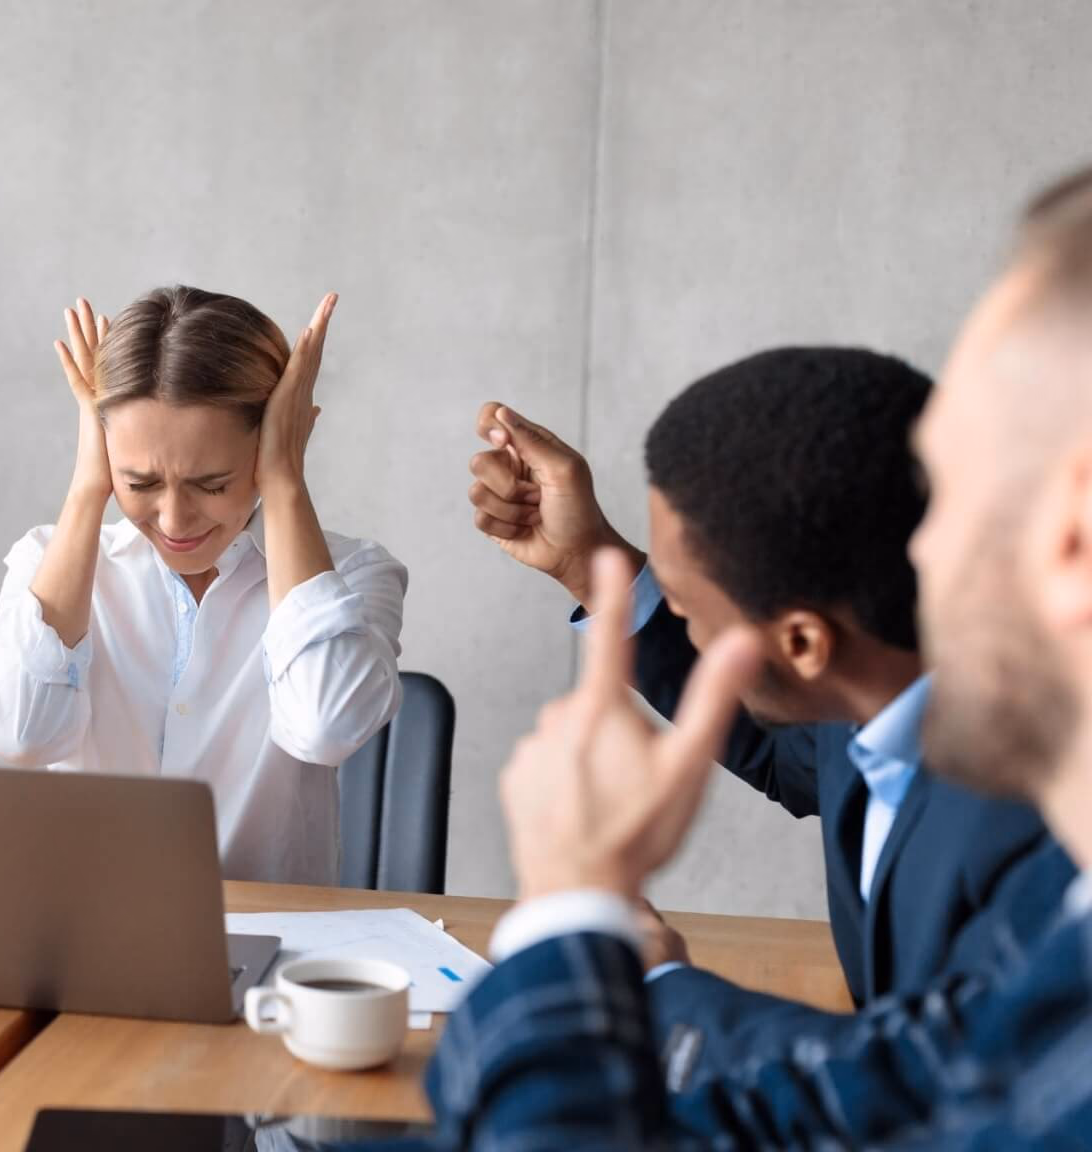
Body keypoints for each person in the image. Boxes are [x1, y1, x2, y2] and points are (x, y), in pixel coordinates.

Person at [409, 162, 1092, 1149]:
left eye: (951, 487)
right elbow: (878, 1088)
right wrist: (594, 564)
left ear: (1070, 536)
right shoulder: (1059, 923)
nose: (920, 545)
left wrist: (568, 917)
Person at [0, 288, 407, 885]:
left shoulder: (350, 576)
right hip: (88, 944)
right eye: (140, 482)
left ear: (272, 443)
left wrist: (284, 483)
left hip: (277, 950)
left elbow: (325, 726)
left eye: (213, 484)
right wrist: (89, 488)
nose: (173, 521)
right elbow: (17, 734)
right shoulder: (48, 562)